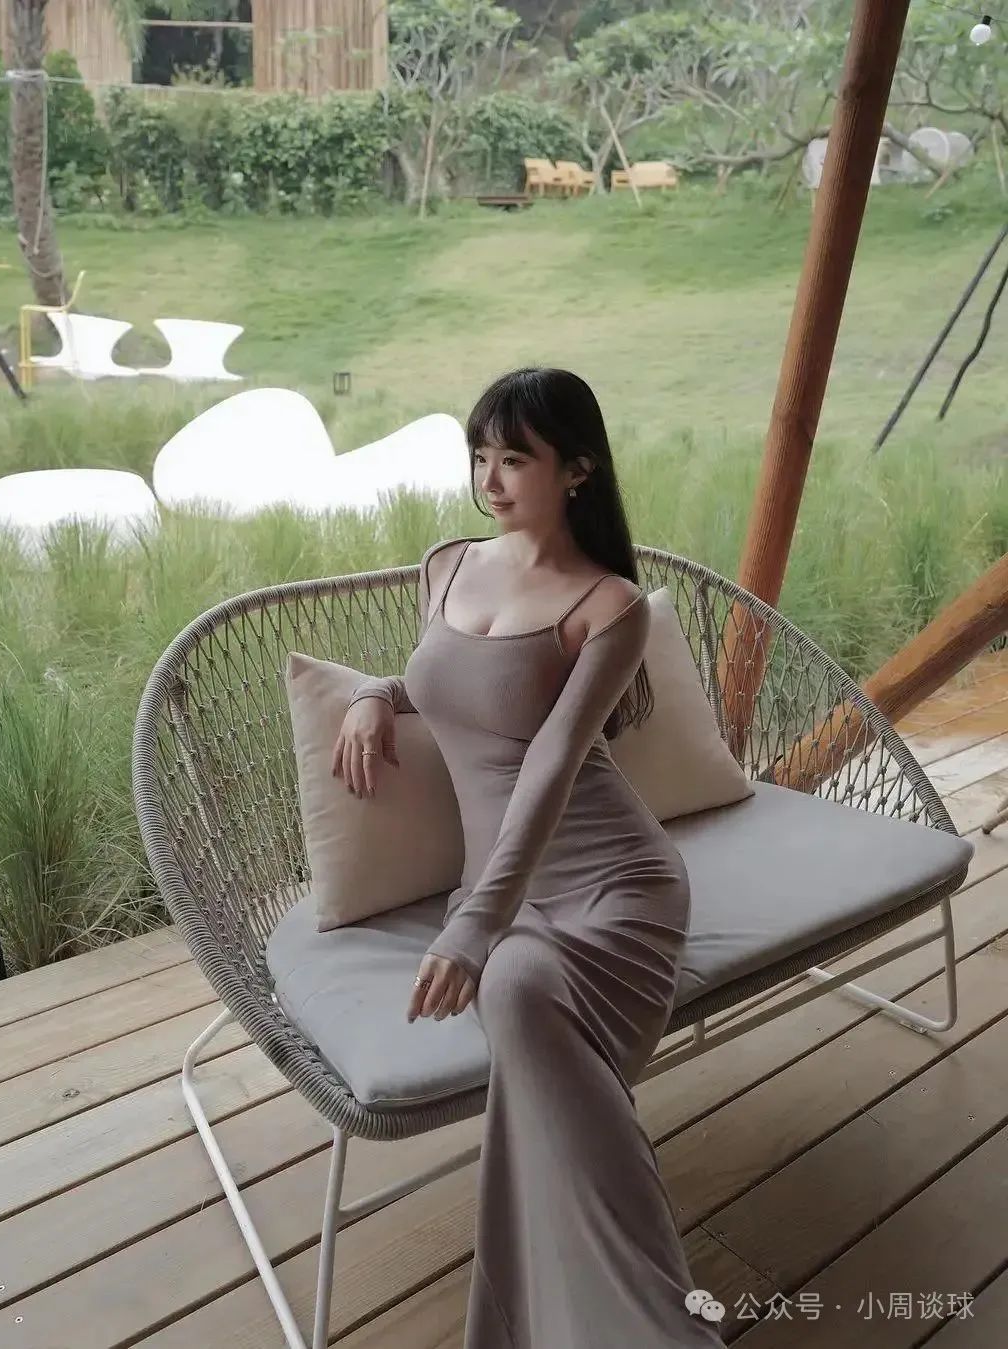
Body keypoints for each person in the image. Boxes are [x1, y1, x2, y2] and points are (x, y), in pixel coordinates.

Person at [332, 367, 724, 1348]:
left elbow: (550, 759)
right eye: (480, 455)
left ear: (577, 469)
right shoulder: (448, 564)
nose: (489, 478)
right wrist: (376, 691)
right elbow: (454, 684)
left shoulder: (609, 604)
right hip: (506, 894)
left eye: (515, 458)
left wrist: (475, 925)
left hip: (613, 887)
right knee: (525, 1030)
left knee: (511, 990)